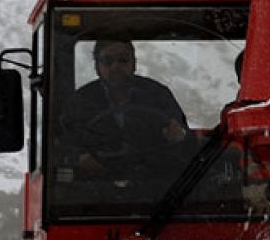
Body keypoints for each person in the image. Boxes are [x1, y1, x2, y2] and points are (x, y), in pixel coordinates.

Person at [62, 39, 194, 179]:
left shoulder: (157, 94)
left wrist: (179, 134)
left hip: (155, 183)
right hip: (97, 184)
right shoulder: (80, 101)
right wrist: (80, 157)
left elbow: (183, 135)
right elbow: (65, 141)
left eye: (123, 60)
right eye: (107, 61)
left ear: (134, 64)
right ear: (96, 66)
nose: (115, 67)